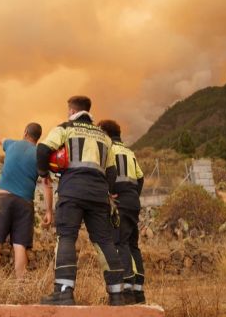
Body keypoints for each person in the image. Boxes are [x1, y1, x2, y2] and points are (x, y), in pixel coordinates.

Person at [36, 96, 125, 306]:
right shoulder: (104, 137)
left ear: (71, 110)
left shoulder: (65, 128)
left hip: (72, 191)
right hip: (98, 195)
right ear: (88, 111)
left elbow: (42, 149)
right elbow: (112, 171)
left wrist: (43, 172)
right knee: (104, 241)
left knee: (66, 237)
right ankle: (117, 295)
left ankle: (64, 292)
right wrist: (108, 192)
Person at [0, 123, 53, 288]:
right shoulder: (39, 154)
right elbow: (47, 184)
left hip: (3, 199)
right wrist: (49, 211)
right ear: (38, 137)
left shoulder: (11, 144)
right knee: (20, 246)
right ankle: (20, 288)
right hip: (25, 204)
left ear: (25, 131)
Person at [98, 119, 146, 304]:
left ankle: (127, 290)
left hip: (119, 201)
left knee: (120, 243)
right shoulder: (130, 152)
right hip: (133, 201)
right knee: (133, 245)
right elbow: (140, 178)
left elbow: (105, 174)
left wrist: (109, 194)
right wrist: (132, 194)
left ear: (105, 133)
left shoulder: (108, 149)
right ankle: (139, 291)